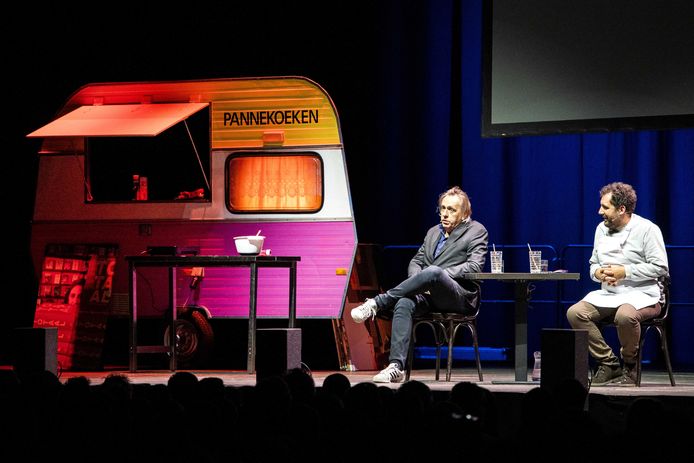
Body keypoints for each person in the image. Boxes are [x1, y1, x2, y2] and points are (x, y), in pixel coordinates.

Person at [351, 186, 488, 383]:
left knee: (433, 271)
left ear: (465, 212)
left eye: (452, 210)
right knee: (404, 302)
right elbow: (417, 260)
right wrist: (421, 282)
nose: (445, 214)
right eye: (443, 208)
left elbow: (474, 265)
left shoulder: (476, 230)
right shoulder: (433, 232)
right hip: (430, 296)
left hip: (459, 295)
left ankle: (378, 302)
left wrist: (437, 277)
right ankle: (396, 366)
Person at [567, 182, 668, 386]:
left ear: (622, 209)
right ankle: (609, 363)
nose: (599, 211)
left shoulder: (647, 229)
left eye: (605, 207)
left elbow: (661, 267)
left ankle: (630, 365)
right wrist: (599, 273)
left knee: (625, 316)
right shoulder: (601, 229)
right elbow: (593, 263)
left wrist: (626, 272)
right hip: (610, 294)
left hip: (644, 295)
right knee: (575, 313)